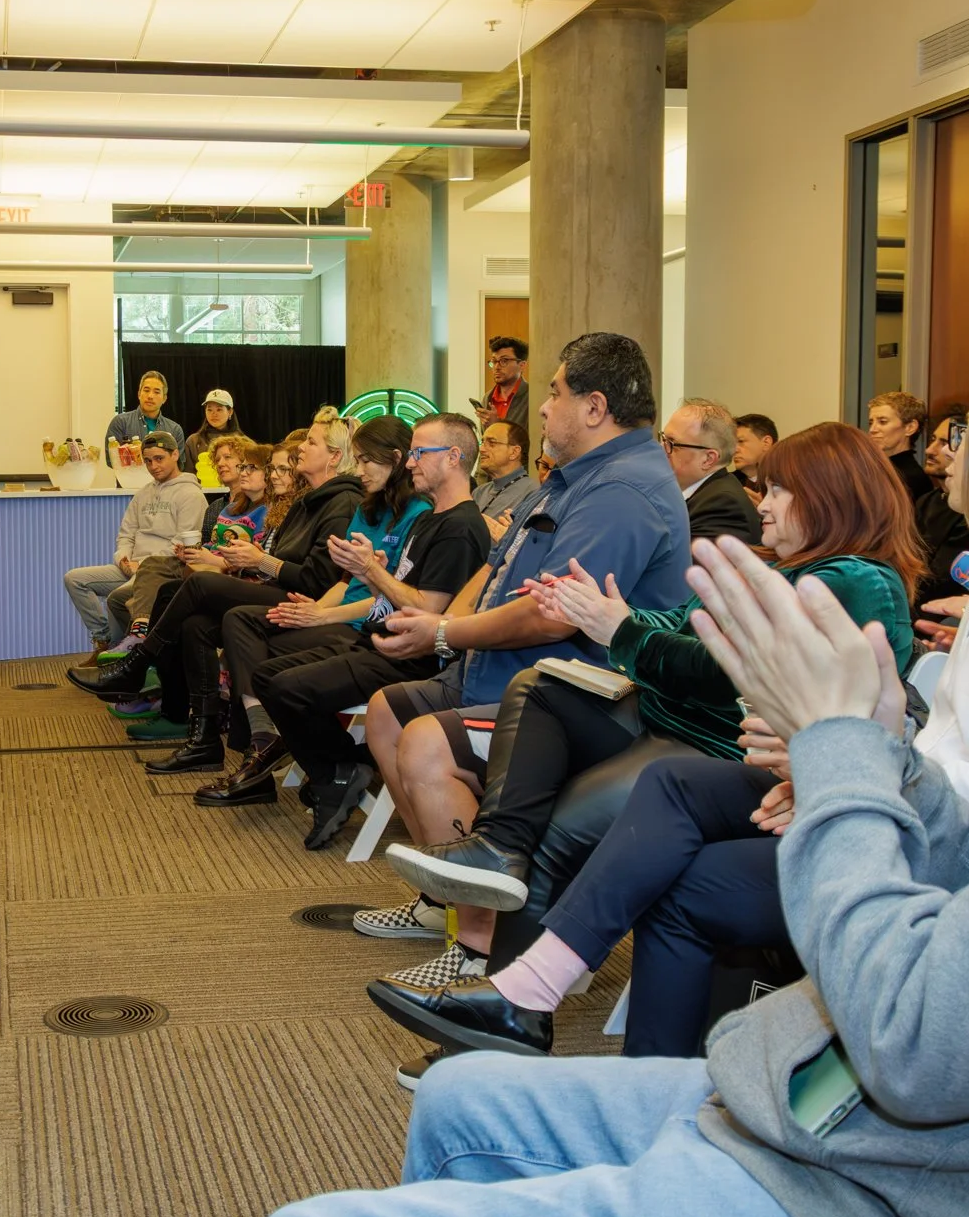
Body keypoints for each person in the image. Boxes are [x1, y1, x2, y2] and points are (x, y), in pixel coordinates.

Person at [199, 250, 969, 1217]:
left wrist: (842, 755)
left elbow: (913, 1040)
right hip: (845, 1142)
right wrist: (887, 762)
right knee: (462, 1101)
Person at [365, 420, 922, 1052]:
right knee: (541, 687)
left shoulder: (854, 579)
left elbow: (725, 669)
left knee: (562, 828)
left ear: (828, 497)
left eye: (777, 491)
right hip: (674, 725)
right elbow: (683, 622)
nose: (761, 503)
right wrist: (605, 613)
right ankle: (500, 850)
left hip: (725, 750)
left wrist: (620, 630)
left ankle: (497, 1026)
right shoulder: (790, 567)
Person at [347, 333, 692, 932]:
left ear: (595, 407)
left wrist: (446, 634)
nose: (543, 407)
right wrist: (444, 627)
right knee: (387, 714)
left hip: (581, 701)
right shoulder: (574, 478)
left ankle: (479, 941)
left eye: (555, 393)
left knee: (426, 742)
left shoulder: (621, 489)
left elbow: (553, 613)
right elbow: (495, 567)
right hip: (501, 672)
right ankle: (442, 904)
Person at [252, 413, 495, 848]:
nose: (411, 462)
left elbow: (427, 610)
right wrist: (371, 573)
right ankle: (342, 768)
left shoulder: (461, 526)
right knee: (266, 675)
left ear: (454, 458)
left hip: (411, 659)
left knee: (288, 688)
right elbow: (398, 592)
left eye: (420, 453)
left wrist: (370, 570)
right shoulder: (429, 519)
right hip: (378, 643)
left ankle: (337, 773)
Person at [70, 418, 362, 760]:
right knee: (193, 621)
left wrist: (259, 561)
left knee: (198, 582)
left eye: (311, 443)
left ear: (334, 456)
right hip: (280, 588)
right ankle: (202, 735)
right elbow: (284, 562)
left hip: (305, 601)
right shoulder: (308, 501)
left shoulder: (341, 502)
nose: (302, 448)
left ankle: (136, 665)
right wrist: (253, 560)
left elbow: (317, 580)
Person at [181, 417, 426, 788]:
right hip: (337, 615)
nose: (359, 469)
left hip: (364, 632)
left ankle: (292, 754)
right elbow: (345, 582)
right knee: (203, 624)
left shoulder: (403, 512)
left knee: (248, 643)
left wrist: (321, 615)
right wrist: (319, 612)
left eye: (364, 460)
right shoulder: (364, 508)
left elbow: (387, 597)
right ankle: (252, 743)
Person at [104, 434, 266, 650]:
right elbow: (207, 544)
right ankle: (137, 646)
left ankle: (141, 646)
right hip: (199, 565)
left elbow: (252, 557)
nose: (221, 463)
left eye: (228, 457)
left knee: (150, 583)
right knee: (134, 585)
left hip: (226, 572)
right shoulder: (220, 507)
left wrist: (205, 556)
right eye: (217, 459)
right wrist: (190, 552)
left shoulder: (260, 508)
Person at [61, 431, 205, 656]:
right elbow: (126, 534)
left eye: (159, 459)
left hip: (162, 570)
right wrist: (123, 559)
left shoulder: (191, 494)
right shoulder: (143, 494)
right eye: (148, 461)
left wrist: (143, 565)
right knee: (75, 579)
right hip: (132, 566)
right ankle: (104, 641)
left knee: (118, 596)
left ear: (175, 455)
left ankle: (123, 655)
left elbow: (181, 544)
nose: (153, 466)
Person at [661, 397, 764, 544]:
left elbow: (675, 557)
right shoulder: (704, 493)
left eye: (671, 443)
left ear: (708, 459)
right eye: (662, 438)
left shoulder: (723, 505)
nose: (661, 449)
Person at [912, 410, 969, 609]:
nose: (930, 450)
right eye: (933, 440)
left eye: (946, 442)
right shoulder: (926, 501)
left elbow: (941, 581)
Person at [471, 417, 540, 534]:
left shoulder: (533, 492)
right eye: (482, 442)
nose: (481, 449)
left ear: (514, 452)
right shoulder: (479, 492)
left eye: (491, 443)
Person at [868, 388, 932, 506]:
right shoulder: (874, 468)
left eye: (883, 422)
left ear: (910, 428)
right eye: (871, 423)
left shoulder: (913, 479)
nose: (872, 429)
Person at [104, 369, 182, 451]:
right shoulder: (121, 423)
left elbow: (177, 458)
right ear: (139, 394)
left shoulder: (174, 430)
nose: (150, 396)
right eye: (146, 390)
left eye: (156, 392)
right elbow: (112, 457)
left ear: (164, 398)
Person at [178, 389, 242, 474]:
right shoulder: (193, 441)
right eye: (209, 410)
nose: (214, 414)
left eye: (219, 409)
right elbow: (188, 474)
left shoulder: (242, 441)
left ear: (230, 412)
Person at [470, 335, 527, 424]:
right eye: (494, 361)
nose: (496, 367)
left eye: (504, 361)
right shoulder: (487, 398)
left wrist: (496, 425)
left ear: (521, 365)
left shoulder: (532, 397)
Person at [733, 411, 777, 496]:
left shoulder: (789, 480)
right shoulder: (726, 484)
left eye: (741, 441)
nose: (734, 450)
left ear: (766, 443)